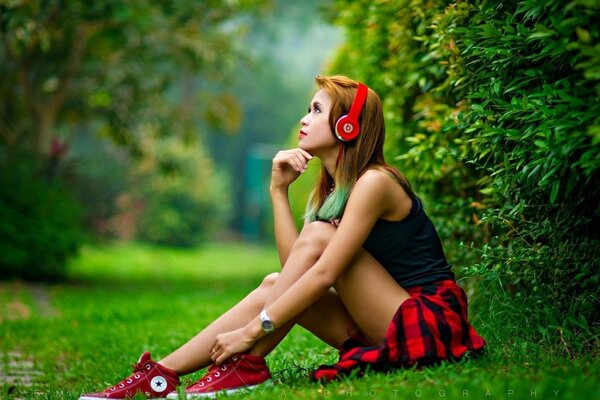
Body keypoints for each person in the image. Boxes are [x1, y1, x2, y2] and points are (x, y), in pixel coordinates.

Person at [79, 76, 486, 400]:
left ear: (348, 125)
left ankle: (246, 361)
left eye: (315, 110)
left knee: (318, 239)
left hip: (425, 323)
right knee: (275, 283)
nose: (304, 119)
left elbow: (323, 271)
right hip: (379, 318)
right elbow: (296, 271)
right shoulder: (333, 191)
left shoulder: (376, 182)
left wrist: (252, 331)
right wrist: (278, 191)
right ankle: (161, 377)